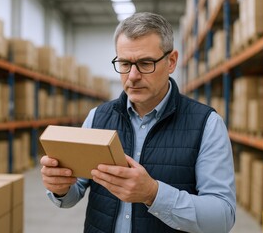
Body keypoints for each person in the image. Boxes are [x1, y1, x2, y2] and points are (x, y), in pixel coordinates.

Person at [40, 12, 236, 233]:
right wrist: (60, 187)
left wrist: (153, 194)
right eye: (124, 63)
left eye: (145, 63)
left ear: (171, 61)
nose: (132, 76)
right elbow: (74, 193)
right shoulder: (97, 117)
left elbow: (222, 217)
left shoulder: (206, 124)